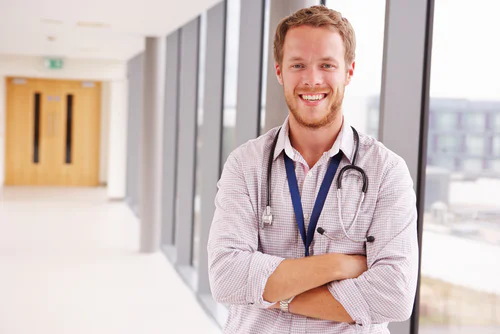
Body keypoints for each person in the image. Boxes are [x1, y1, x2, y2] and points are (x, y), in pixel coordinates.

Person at [207, 5, 418, 334]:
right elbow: (226, 277)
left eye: (326, 65)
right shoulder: (244, 164)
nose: (311, 79)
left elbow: (394, 296)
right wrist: (339, 265)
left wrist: (277, 295)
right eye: (298, 65)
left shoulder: (387, 172)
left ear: (348, 71)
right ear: (279, 72)